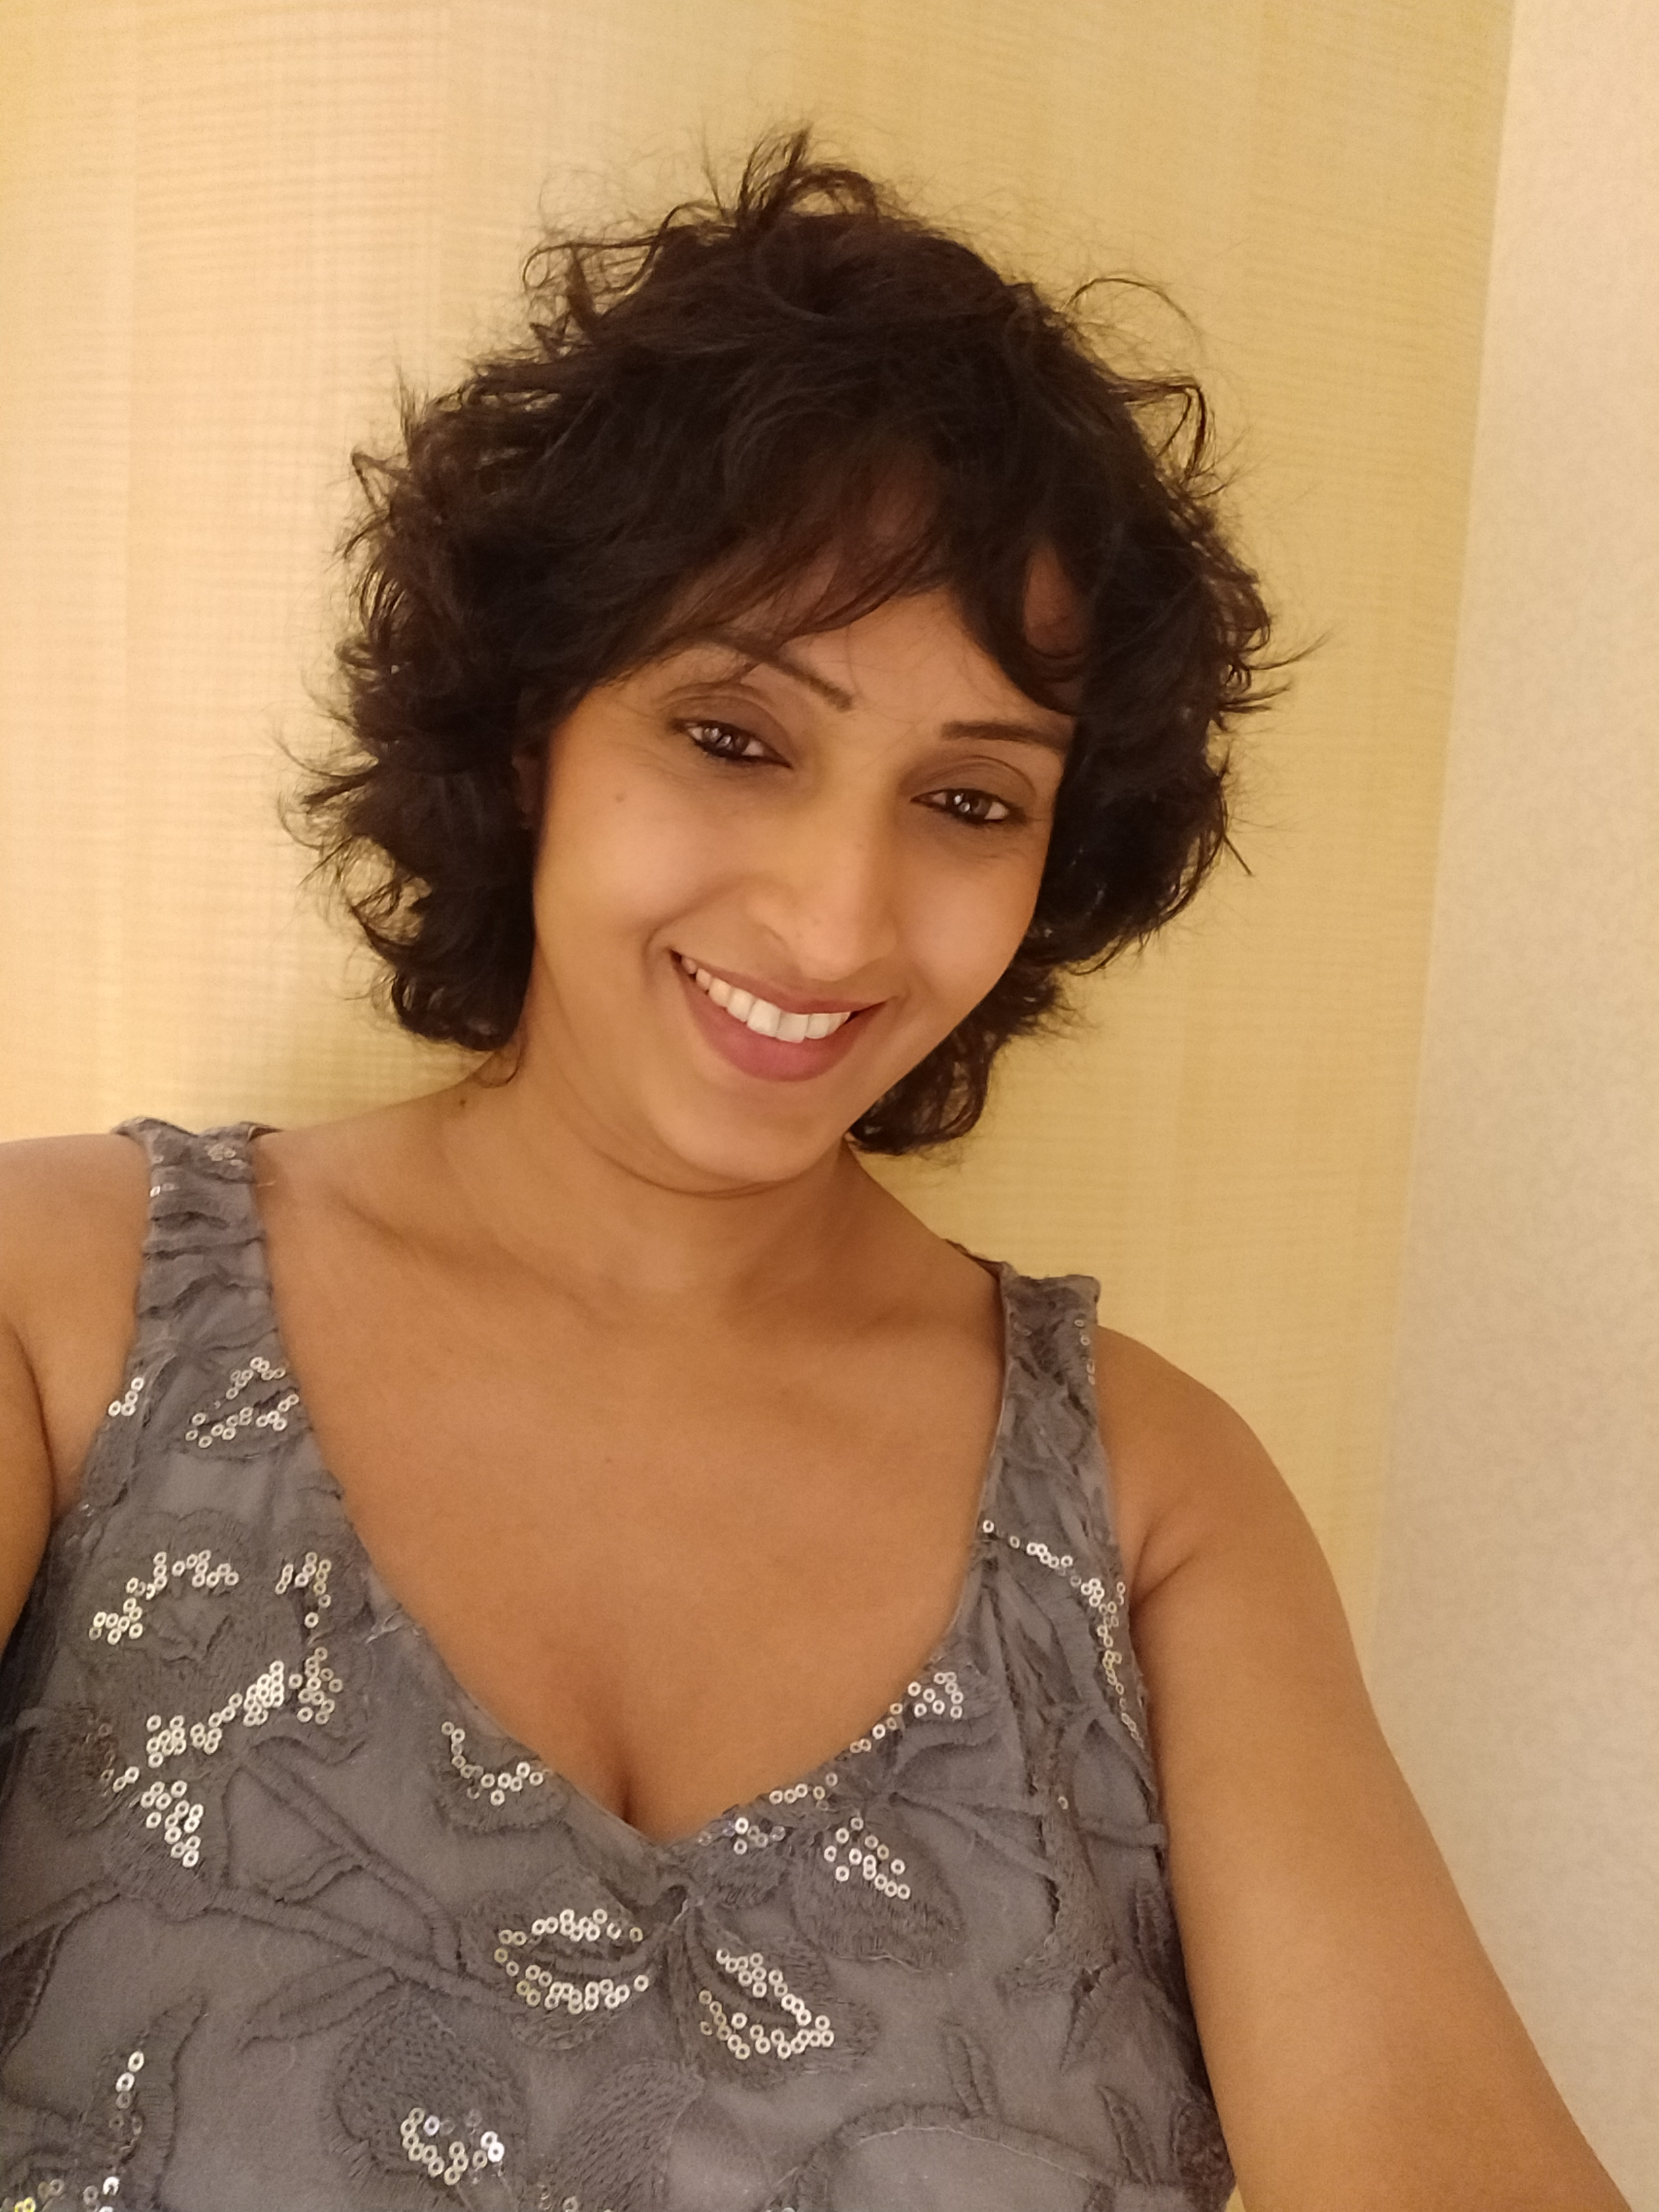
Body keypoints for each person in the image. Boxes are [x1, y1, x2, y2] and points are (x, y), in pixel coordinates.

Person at [0, 130, 1627, 2212]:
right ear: (534, 734)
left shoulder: (1150, 1509)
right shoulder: (67, 1319)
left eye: (970, 800)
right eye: (736, 739)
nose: (840, 917)